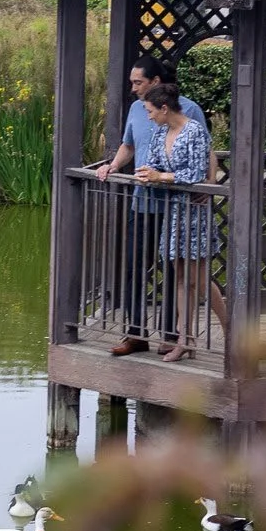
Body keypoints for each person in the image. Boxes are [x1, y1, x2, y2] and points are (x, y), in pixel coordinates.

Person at [96, 55, 210, 355]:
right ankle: (136, 334)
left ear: (156, 83)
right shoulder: (137, 109)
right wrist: (112, 166)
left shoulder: (190, 110)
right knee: (135, 267)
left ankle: (172, 335)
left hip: (176, 206)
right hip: (142, 202)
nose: (133, 88)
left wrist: (207, 188)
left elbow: (206, 151)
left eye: (138, 82)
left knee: (176, 272)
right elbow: (129, 145)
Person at [135, 82, 227, 362]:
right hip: (174, 209)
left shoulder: (194, 132)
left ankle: (231, 327)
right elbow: (153, 163)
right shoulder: (161, 131)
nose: (148, 115)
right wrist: (149, 174)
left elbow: (196, 173)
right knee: (180, 276)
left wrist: (161, 177)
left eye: (151, 110)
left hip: (195, 212)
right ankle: (185, 338)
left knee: (198, 277)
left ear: (165, 108)